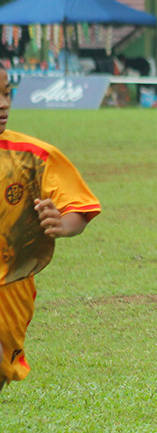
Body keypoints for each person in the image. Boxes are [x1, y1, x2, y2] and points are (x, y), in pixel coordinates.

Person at [0, 67, 101, 392]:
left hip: (9, 286)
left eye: (6, 93)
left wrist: (62, 225)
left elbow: (77, 208)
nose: (3, 104)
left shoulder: (34, 157)